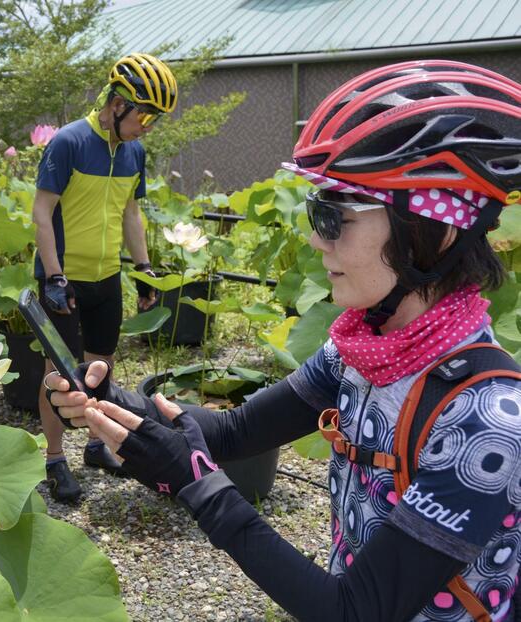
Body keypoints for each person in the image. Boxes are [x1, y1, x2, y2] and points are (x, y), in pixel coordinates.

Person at [46, 59, 521, 620]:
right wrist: (116, 402)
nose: (318, 242)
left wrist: (197, 485)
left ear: (435, 230)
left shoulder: (486, 420)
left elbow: (354, 611)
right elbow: (236, 430)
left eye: (334, 215)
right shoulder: (363, 347)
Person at [32, 53, 178, 503]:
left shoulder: (134, 151)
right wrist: (53, 275)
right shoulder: (69, 143)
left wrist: (145, 268)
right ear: (117, 104)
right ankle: (55, 459)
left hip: (107, 277)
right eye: (144, 114)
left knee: (102, 366)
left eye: (155, 118)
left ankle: (96, 445)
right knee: (56, 374)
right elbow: (42, 211)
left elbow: (131, 213)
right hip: (64, 278)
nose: (147, 125)